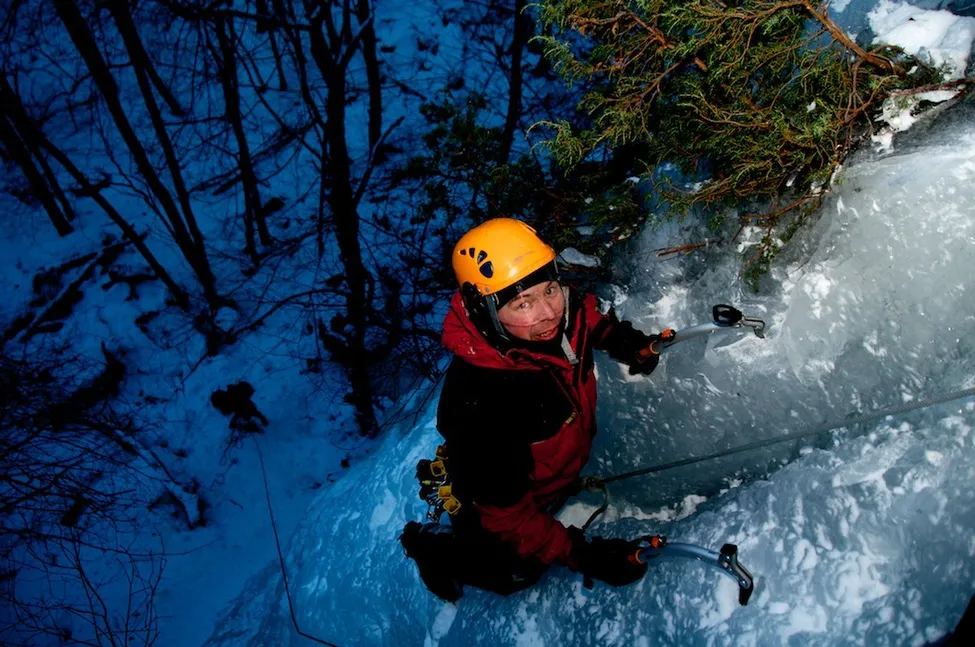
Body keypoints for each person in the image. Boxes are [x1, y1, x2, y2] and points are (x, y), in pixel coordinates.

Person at [401, 218, 672, 602]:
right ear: (485, 313)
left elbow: (583, 317)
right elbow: (507, 517)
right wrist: (583, 555)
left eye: (550, 290)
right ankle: (432, 549)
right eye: (522, 303)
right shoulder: (481, 404)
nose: (547, 313)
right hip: (494, 499)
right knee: (518, 570)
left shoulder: (555, 316)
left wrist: (625, 342)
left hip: (543, 475)